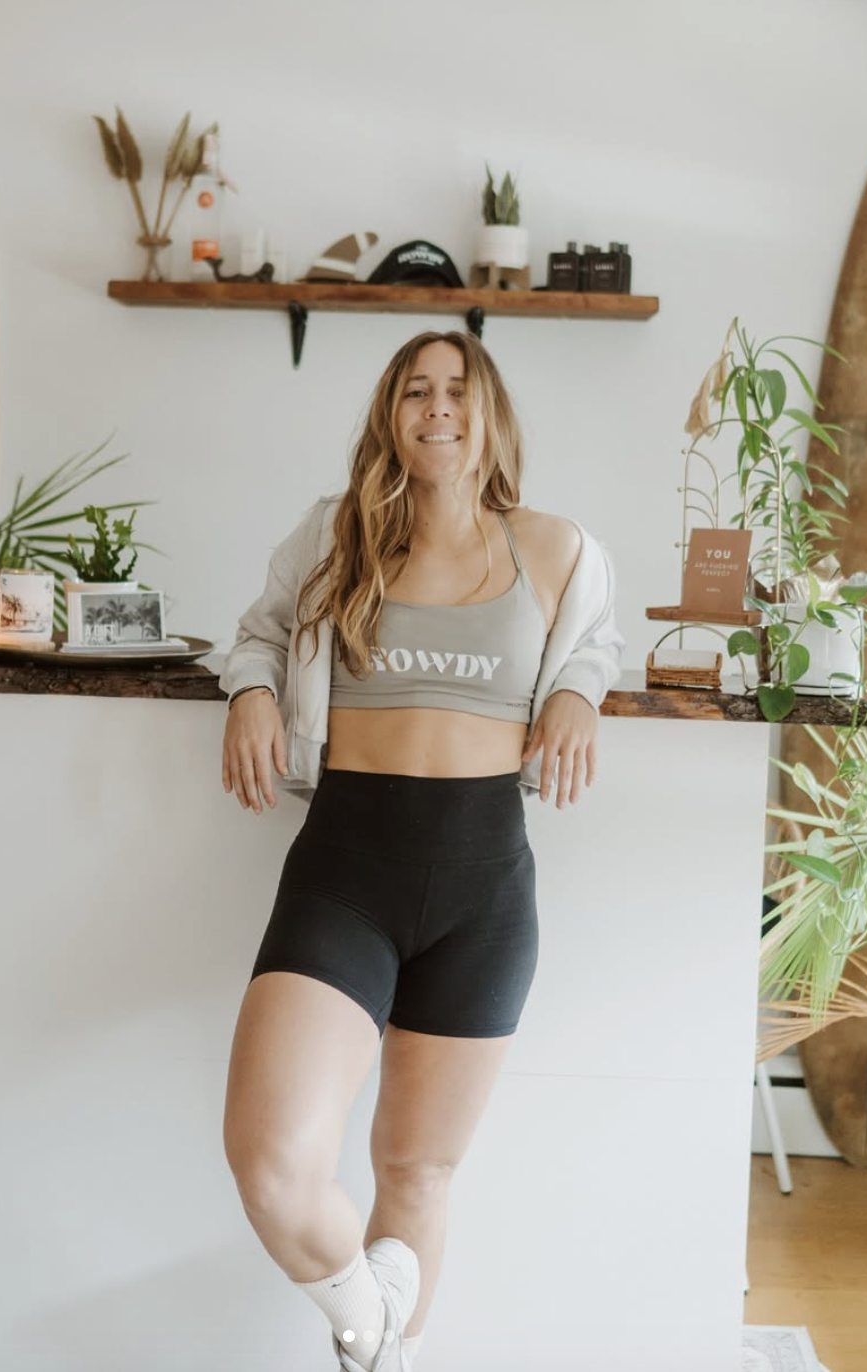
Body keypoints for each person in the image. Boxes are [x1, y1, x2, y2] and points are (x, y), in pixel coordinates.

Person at [219, 330, 623, 1372]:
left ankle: (382, 1356)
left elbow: (592, 644)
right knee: (270, 1162)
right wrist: (252, 692)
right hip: (345, 873)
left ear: (488, 414)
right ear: (389, 415)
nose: (435, 408)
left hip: (485, 887)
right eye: (414, 391)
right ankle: (372, 1327)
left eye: (455, 390)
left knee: (417, 1169)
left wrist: (577, 691)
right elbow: (260, 631)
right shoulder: (334, 533)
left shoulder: (553, 544)